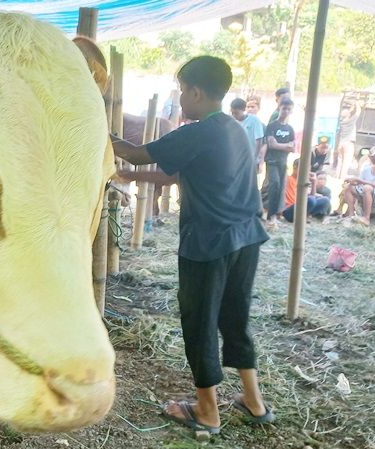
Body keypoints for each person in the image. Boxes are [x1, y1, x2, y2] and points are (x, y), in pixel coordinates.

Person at [111, 56, 273, 435]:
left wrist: (96, 133)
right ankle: (253, 401)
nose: (181, 97)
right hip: (247, 238)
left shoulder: (197, 131)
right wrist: (125, 175)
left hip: (208, 243)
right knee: (235, 319)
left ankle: (206, 411)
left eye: (183, 90)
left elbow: (136, 152)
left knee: (199, 322)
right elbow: (175, 175)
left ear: (196, 92)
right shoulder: (235, 130)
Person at [335, 146, 375, 225]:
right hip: (366, 191)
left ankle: (366, 218)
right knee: (348, 187)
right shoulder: (367, 168)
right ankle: (351, 214)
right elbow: (359, 182)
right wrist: (352, 181)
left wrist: (357, 180)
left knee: (367, 188)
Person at [263, 97, 295, 226]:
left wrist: (282, 145)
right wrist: (285, 146)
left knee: (281, 188)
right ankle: (270, 215)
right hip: (272, 161)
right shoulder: (272, 126)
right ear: (279, 109)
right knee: (274, 185)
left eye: (288, 109)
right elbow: (271, 144)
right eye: (283, 109)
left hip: (283, 162)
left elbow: (293, 147)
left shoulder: (290, 129)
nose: (285, 111)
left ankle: (276, 215)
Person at [230, 98, 265, 170]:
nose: (234, 115)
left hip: (251, 158)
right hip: (237, 158)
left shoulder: (254, 120)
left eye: (236, 113)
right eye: (232, 113)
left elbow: (259, 140)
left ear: (243, 110)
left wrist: (255, 157)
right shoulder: (232, 122)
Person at [334, 100, 361, 180]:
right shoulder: (351, 120)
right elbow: (358, 111)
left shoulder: (342, 121)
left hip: (341, 144)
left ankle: (337, 176)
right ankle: (342, 178)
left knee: (340, 161)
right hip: (348, 143)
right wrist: (357, 102)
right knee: (346, 162)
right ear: (348, 114)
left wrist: (352, 106)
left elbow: (349, 112)